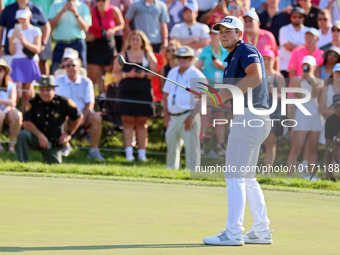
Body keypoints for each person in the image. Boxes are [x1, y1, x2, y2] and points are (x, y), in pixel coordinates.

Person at [203, 16, 272, 245]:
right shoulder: (231, 58)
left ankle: (233, 232)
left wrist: (224, 94)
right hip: (252, 118)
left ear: (239, 34)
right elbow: (238, 92)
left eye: (228, 31)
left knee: (234, 176)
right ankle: (262, 230)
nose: (223, 34)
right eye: (220, 30)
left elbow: (255, 77)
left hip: (251, 119)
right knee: (247, 178)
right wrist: (219, 99)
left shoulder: (245, 50)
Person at [112, 30, 158, 161]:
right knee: (128, 123)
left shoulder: (147, 55)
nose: (135, 42)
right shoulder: (123, 55)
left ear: (142, 42)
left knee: (142, 123)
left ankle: (142, 154)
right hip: (127, 93)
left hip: (143, 93)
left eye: (138, 39)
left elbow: (155, 72)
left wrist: (145, 75)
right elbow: (115, 73)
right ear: (129, 41)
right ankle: (128, 154)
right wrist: (128, 75)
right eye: (133, 39)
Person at [17, 75, 83, 164]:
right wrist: (40, 136)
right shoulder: (33, 102)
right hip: (36, 138)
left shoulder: (63, 102)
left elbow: (78, 117)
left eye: (48, 90)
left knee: (55, 165)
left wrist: (68, 134)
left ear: (54, 90)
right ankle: (22, 163)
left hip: (53, 142)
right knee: (23, 135)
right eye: (42, 90)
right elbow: (26, 123)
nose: (45, 93)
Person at [162, 45, 206, 170]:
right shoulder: (172, 72)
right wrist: (165, 114)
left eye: (185, 57)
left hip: (189, 114)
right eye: (179, 57)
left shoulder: (197, 75)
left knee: (192, 147)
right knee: (171, 144)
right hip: (173, 116)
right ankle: (171, 170)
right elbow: (166, 93)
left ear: (192, 58)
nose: (182, 59)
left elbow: (203, 98)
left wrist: (192, 116)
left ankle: (192, 172)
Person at [55, 58, 106, 161]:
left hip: (84, 115)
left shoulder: (86, 82)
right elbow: (57, 102)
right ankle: (66, 146)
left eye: (73, 65)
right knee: (61, 115)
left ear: (79, 67)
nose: (70, 68)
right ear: (64, 67)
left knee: (96, 118)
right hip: (66, 115)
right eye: (68, 65)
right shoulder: (58, 80)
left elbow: (90, 102)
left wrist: (82, 116)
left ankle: (94, 150)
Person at [286, 56, 324, 179]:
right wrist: (303, 78)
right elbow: (300, 94)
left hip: (315, 116)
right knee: (297, 146)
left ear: (314, 67)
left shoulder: (319, 81)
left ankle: (310, 175)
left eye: (309, 66)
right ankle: (288, 175)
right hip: (301, 115)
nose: (306, 68)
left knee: (313, 148)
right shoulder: (297, 80)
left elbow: (314, 94)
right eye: (304, 66)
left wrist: (312, 80)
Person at [196, 28, 229, 156]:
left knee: (220, 116)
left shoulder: (226, 50)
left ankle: (220, 145)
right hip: (208, 86)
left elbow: (231, 69)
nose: (214, 36)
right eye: (212, 34)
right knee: (205, 113)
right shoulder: (205, 50)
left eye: (216, 34)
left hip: (222, 87)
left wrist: (220, 65)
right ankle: (201, 142)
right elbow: (198, 68)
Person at [86, 0, 124, 95]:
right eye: (98, 0)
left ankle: (107, 99)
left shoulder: (114, 10)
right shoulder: (91, 11)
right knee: (93, 74)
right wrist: (85, 37)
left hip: (108, 45)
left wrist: (113, 30)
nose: (100, 2)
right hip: (94, 45)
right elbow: (83, 25)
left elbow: (121, 24)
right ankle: (92, 99)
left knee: (107, 75)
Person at [8, 8, 42, 113]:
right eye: (20, 19)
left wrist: (24, 41)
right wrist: (13, 39)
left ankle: (25, 114)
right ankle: (12, 113)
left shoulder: (35, 30)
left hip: (30, 62)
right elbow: (12, 51)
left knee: (27, 93)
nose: (22, 21)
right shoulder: (11, 32)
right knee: (17, 92)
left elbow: (37, 49)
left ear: (29, 17)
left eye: (24, 18)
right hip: (17, 62)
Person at [0, 0, 50, 69]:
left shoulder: (36, 9)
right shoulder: (8, 9)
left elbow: (46, 26)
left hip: (30, 55)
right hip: (10, 53)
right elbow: (1, 29)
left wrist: (43, 44)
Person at [48, 0, 92, 73]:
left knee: (81, 72)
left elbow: (85, 28)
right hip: (60, 45)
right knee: (56, 72)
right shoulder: (56, 4)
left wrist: (76, 14)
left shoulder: (83, 6)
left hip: (77, 44)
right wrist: (62, 11)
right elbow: (51, 25)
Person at [261, 49, 285, 174]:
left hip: (274, 112)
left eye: (268, 59)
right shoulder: (257, 75)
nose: (266, 61)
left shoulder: (278, 77)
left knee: (271, 143)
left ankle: (266, 172)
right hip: (258, 112)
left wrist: (273, 92)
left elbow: (284, 96)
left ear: (273, 60)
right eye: (264, 58)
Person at [279, 6, 309, 79]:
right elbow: (288, 47)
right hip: (285, 68)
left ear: (303, 18)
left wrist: (294, 46)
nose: (297, 19)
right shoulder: (284, 29)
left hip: (303, 70)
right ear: (290, 18)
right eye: (294, 17)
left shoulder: (309, 31)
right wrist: (305, 47)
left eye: (300, 17)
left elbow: (311, 48)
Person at [0, 58, 22, 153]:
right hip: (2, 113)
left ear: (5, 72)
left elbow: (12, 102)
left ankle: (11, 145)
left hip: (7, 111)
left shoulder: (10, 85)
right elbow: (9, 101)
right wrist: (6, 102)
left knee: (17, 115)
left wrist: (5, 110)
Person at [324, 93, 340, 180]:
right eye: (336, 105)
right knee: (330, 148)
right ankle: (329, 173)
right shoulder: (330, 120)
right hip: (337, 143)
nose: (338, 108)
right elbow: (328, 142)